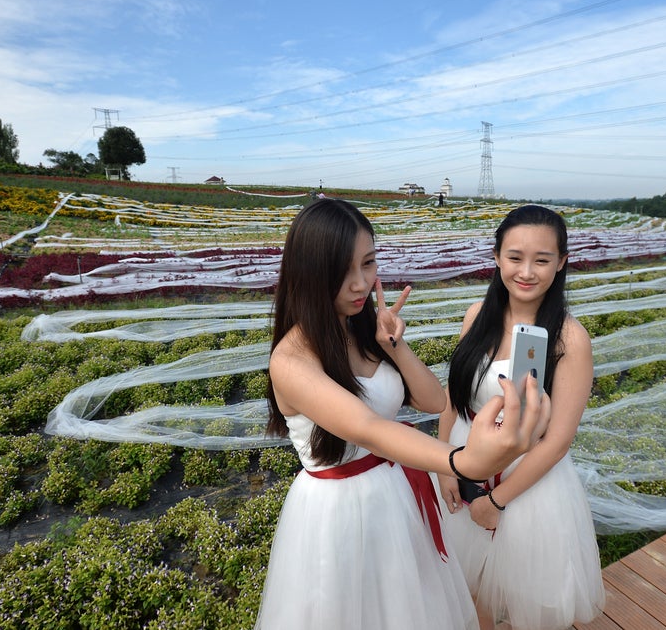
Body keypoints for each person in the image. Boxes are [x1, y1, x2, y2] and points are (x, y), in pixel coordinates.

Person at [255, 198, 549, 630]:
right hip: (341, 509)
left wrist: (395, 344)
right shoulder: (292, 359)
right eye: (344, 270)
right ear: (310, 272)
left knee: (407, 608)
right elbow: (369, 429)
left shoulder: (361, 328)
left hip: (393, 492)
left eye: (369, 263)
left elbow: (433, 401)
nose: (360, 283)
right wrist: (462, 460)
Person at [435, 205, 605, 630]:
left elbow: (558, 439)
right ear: (496, 257)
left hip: (527, 484)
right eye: (515, 257)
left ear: (561, 262)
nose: (526, 271)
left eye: (542, 260)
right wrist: (445, 465)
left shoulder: (569, 338)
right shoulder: (477, 316)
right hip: (466, 463)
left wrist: (497, 500)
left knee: (532, 598)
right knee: (472, 589)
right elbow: (453, 400)